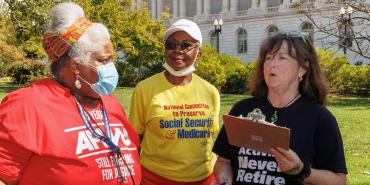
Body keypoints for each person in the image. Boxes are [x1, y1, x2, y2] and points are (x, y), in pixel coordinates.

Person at [0, 3, 141, 185]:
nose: (111, 68)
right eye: (103, 61)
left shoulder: (111, 104)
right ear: (75, 66)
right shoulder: (27, 105)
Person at [212, 32, 347, 185]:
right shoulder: (242, 109)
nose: (272, 64)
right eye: (268, 58)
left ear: (303, 68)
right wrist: (224, 180)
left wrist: (301, 170)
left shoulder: (320, 118)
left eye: (282, 58)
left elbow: (339, 181)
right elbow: (223, 161)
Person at [129, 19, 220, 185]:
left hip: (203, 179)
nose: (178, 50)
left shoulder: (210, 92)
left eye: (186, 45)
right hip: (154, 179)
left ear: (198, 53)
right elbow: (134, 141)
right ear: (165, 50)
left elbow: (209, 138)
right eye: (171, 44)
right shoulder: (144, 89)